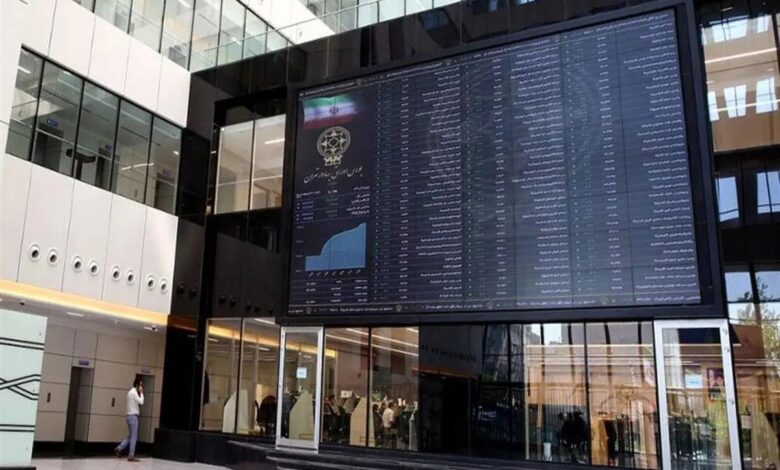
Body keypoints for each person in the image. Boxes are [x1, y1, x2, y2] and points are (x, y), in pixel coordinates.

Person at [115, 377, 144, 462]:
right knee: (134, 437)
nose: (141, 387)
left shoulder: (129, 392)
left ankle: (119, 448)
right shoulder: (134, 393)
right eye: (140, 385)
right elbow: (141, 402)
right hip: (133, 417)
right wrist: (141, 393)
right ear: (137, 385)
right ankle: (131, 455)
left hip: (129, 416)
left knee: (131, 436)